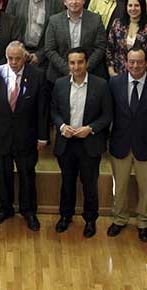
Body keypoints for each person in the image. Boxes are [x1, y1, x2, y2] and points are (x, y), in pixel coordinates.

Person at [107, 47, 147, 242]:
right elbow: (110, 112)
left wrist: (146, 128)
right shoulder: (114, 83)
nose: (135, 65)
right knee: (119, 186)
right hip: (121, 144)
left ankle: (144, 223)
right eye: (132, 61)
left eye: (139, 62)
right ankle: (119, 219)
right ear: (126, 63)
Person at [0, 42, 48, 231]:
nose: (13, 62)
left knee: (27, 175)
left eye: (17, 58)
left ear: (25, 58)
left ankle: (28, 212)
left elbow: (42, 109)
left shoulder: (37, 75)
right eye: (10, 58)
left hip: (26, 136)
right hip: (1, 135)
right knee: (2, 175)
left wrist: (42, 137)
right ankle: (5, 209)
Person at [51, 48, 112, 237]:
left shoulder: (101, 85)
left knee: (89, 184)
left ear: (86, 63)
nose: (76, 67)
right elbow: (54, 111)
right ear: (68, 64)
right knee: (67, 183)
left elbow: (107, 115)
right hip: (67, 142)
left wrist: (90, 128)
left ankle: (90, 220)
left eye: (80, 62)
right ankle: (65, 216)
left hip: (89, 143)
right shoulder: (60, 84)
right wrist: (62, 126)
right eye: (72, 63)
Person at [5, 0, 65, 69]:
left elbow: (58, 34)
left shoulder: (57, 1)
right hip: (18, 53)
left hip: (45, 56)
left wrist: (39, 55)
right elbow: (8, 26)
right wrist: (21, 51)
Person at [43, 0, 107, 82]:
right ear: (65, 2)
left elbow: (100, 47)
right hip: (60, 76)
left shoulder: (96, 20)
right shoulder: (54, 21)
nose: (74, 2)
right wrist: (68, 70)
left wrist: (84, 68)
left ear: (83, 1)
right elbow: (50, 49)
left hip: (91, 74)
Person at [106, 0, 147, 77]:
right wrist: (111, 70)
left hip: (141, 74)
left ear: (142, 7)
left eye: (137, 5)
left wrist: (140, 71)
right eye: (130, 5)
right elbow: (110, 48)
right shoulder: (117, 24)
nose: (133, 8)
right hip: (118, 73)